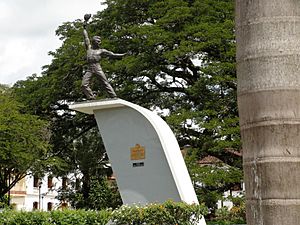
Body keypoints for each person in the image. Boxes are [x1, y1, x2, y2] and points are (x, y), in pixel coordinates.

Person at [82, 14, 125, 100]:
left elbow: (113, 54)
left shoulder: (102, 51)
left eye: (99, 41)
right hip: (89, 69)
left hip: (97, 67)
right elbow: (85, 36)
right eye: (97, 41)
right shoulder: (88, 48)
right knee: (84, 85)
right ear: (93, 42)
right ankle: (91, 97)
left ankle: (114, 96)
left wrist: (124, 55)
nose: (99, 42)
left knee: (105, 82)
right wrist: (85, 25)